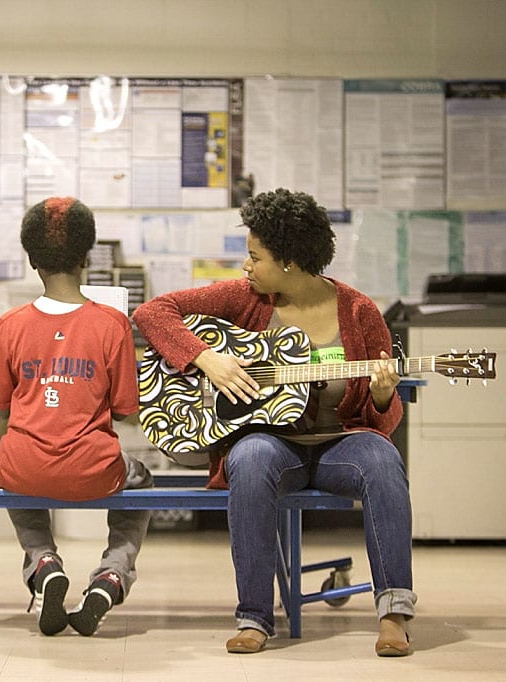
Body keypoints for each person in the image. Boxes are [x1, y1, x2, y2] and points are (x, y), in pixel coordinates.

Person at [132, 188, 415, 657]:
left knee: (383, 461)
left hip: (338, 445)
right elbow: (152, 312)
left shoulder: (359, 311)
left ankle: (393, 613)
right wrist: (207, 359)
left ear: (288, 261)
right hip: (271, 442)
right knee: (250, 456)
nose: (246, 266)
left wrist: (384, 394)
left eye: (254, 256)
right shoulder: (244, 299)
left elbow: (382, 418)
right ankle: (254, 616)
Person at [0, 196, 153, 637]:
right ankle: (111, 575)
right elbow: (124, 409)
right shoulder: (112, 324)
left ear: (31, 259)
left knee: (1, 471)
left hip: (25, 465)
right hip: (92, 470)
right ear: (86, 257)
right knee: (143, 479)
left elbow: (1, 406)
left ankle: (43, 561)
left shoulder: (8, 325)